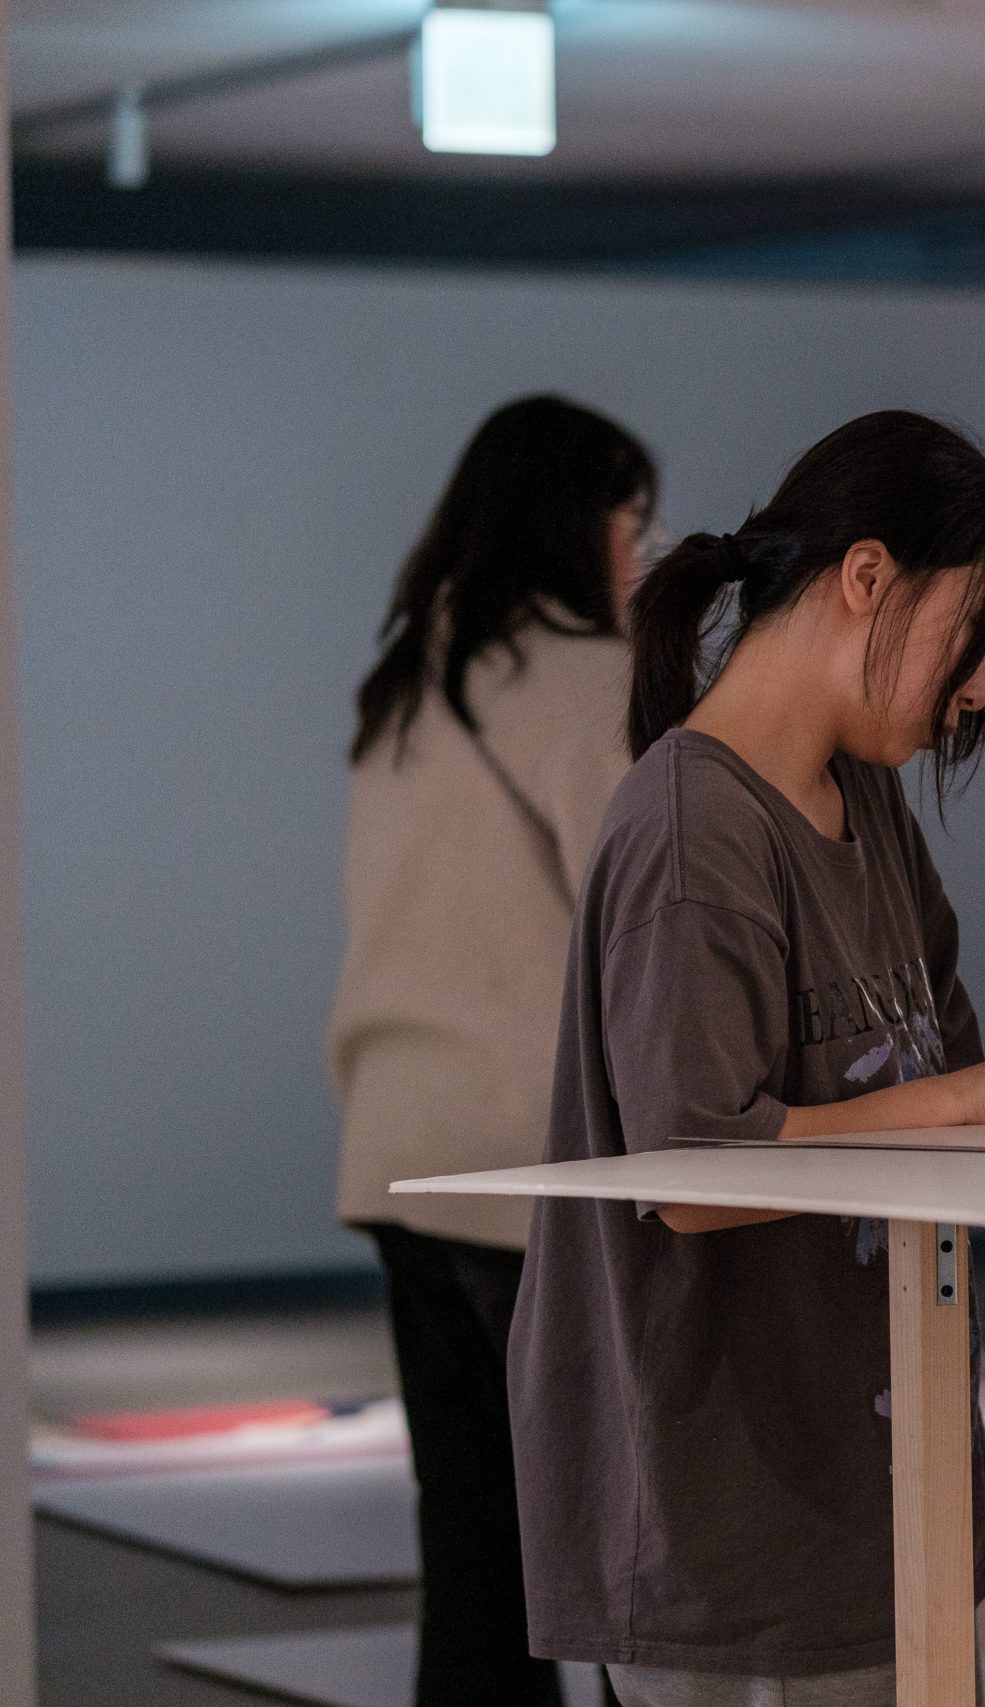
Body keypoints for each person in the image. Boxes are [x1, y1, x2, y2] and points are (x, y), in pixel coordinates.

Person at [508, 410, 985, 1707]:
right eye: (975, 641)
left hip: (873, 1471)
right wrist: (960, 1103)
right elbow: (693, 1172)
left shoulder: (868, 800)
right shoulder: (693, 826)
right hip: (724, 1510)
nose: (979, 692)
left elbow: (954, 1092)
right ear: (867, 577)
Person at [330, 394, 658, 1707]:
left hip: (397, 1148)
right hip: (532, 1163)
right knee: (626, 1546)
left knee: (469, 1550)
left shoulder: (408, 680)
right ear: (578, 524)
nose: (643, 548)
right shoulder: (588, 681)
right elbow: (641, 915)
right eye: (633, 518)